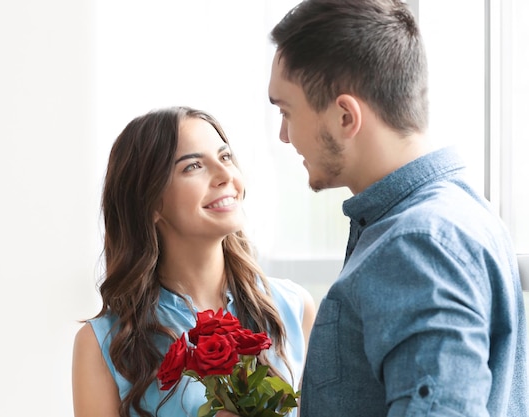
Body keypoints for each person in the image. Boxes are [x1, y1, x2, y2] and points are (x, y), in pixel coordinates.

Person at [219, 0, 528, 416]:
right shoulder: (454, 212)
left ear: (346, 116)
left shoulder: (417, 245)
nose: (284, 135)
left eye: (287, 111)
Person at [71, 106, 316, 417]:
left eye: (225, 157)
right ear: (151, 204)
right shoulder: (102, 344)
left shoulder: (294, 309)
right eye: (194, 166)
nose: (226, 175)